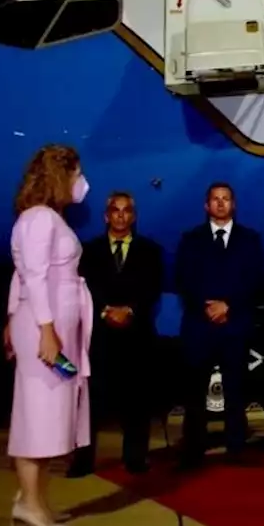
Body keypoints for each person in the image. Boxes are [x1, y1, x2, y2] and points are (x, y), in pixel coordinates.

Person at [6, 145, 93, 526]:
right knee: (35, 419)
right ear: (61, 175)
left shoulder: (49, 218)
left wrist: (16, 318)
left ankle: (35, 502)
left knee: (51, 418)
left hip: (54, 328)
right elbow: (34, 277)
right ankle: (30, 506)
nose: (80, 182)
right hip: (48, 332)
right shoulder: (39, 218)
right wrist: (46, 331)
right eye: (77, 174)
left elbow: (21, 276)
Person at [68, 191, 164, 477]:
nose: (121, 215)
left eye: (126, 211)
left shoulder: (151, 251)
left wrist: (130, 310)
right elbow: (83, 288)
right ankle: (83, 461)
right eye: (115, 210)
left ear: (133, 217)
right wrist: (105, 312)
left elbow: (152, 288)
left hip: (137, 337)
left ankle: (135, 458)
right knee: (92, 402)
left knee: (137, 401)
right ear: (106, 216)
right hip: (100, 337)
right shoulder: (90, 250)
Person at [173, 182, 264, 469]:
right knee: (195, 391)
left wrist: (229, 306)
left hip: (235, 325)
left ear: (233, 205)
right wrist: (208, 307)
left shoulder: (250, 239)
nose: (221, 203)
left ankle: (236, 446)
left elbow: (257, 280)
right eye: (215, 199)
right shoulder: (191, 239)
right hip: (199, 326)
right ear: (206, 205)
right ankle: (193, 448)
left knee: (236, 389)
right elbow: (182, 278)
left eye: (226, 199)